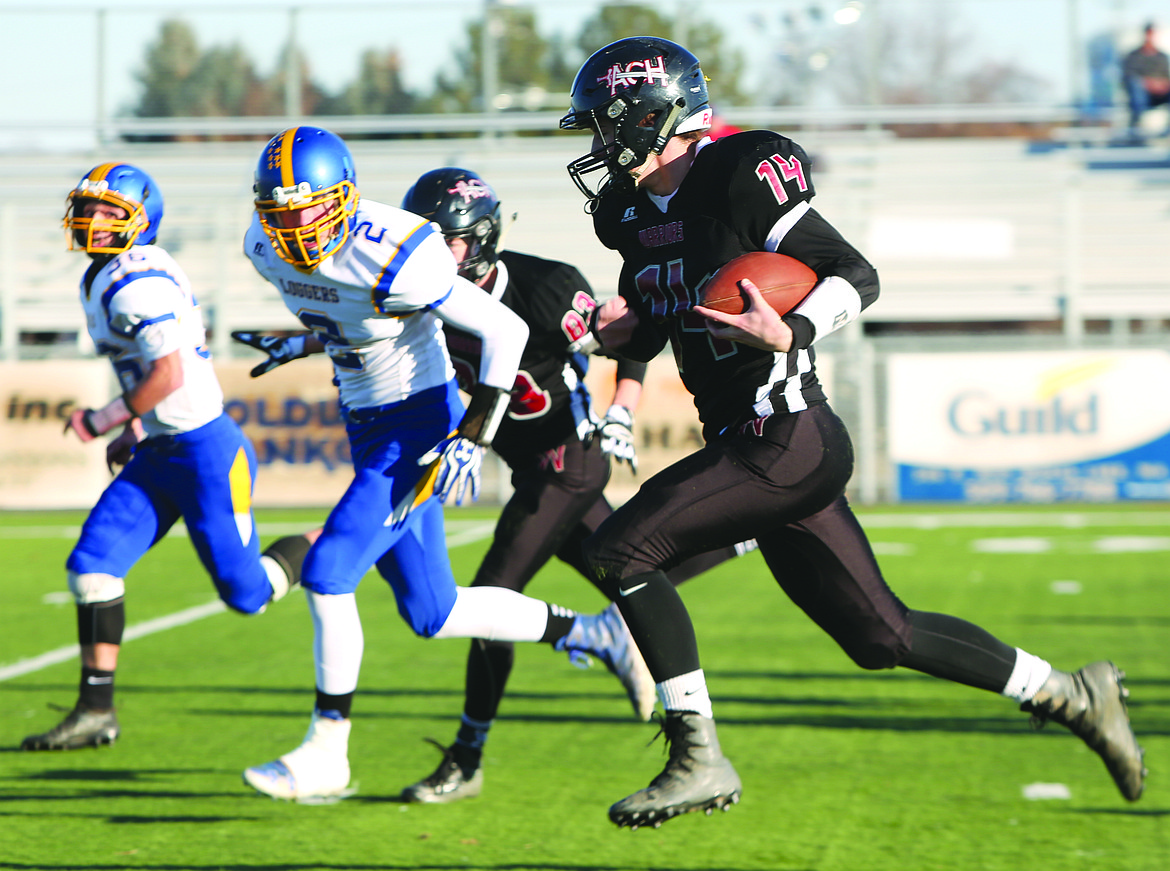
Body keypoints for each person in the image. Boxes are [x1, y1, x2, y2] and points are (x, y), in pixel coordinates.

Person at [558, 37, 1147, 829]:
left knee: (620, 549)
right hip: (749, 438)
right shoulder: (625, 211)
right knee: (881, 633)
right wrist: (620, 330)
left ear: (660, 114)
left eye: (609, 123)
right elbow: (660, 323)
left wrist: (791, 329)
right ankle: (1070, 692)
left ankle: (696, 753)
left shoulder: (739, 171)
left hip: (787, 434)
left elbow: (855, 272)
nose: (599, 143)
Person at [234, 127, 649, 803]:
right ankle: (591, 632)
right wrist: (304, 343)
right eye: (282, 213)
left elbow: (506, 331)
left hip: (414, 425)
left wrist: (473, 432)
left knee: (331, 570)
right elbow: (359, 310)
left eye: (309, 210)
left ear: (341, 200)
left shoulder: (400, 249)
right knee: (435, 610)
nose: (296, 228)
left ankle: (326, 749)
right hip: (365, 422)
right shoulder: (263, 248)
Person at [394, 167, 754, 803]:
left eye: (443, 241)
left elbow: (632, 339)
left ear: (479, 238)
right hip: (530, 465)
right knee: (629, 566)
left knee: (486, 603)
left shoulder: (541, 285)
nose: (430, 254)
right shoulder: (421, 296)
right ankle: (747, 535)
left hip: (567, 459)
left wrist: (622, 408)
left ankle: (468, 756)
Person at [20, 163, 315, 752]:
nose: (93, 219)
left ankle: (329, 539)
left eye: (108, 210)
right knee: (93, 566)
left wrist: (104, 418)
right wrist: (137, 425)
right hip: (161, 448)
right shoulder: (106, 274)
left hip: (206, 452)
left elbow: (169, 372)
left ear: (139, 216)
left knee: (248, 596)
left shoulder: (136, 282)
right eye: (88, 207)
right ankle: (95, 710)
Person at [1122, 22, 1170, 138]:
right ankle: (1137, 124)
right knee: (1136, 85)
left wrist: (1161, 84)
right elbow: (1129, 76)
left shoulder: (1161, 56)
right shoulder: (1133, 55)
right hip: (1141, 94)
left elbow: (1166, 76)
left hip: (1160, 94)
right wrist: (1148, 83)